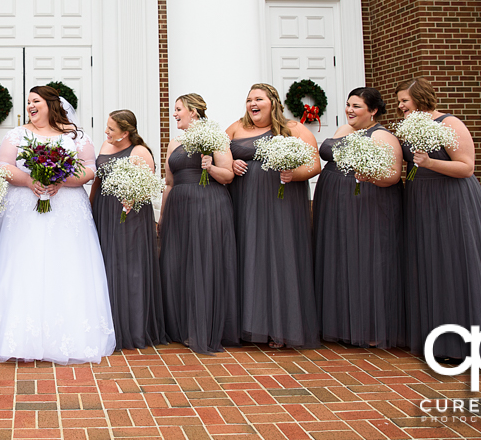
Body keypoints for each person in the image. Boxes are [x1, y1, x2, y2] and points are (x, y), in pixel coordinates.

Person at [0, 86, 115, 364]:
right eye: (28, 101)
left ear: (51, 104)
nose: (30, 105)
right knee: (25, 264)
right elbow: (3, 166)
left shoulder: (74, 134)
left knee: (66, 264)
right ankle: (21, 337)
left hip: (66, 209)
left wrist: (62, 179)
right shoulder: (17, 134)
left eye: (36, 101)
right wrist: (31, 180)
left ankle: (67, 336)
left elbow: (89, 167)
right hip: (24, 208)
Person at [396, 77, 481, 362]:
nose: (400, 105)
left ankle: (466, 344)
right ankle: (436, 338)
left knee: (455, 264)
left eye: (404, 100)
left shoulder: (450, 123)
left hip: (451, 199)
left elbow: (466, 167)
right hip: (421, 200)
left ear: (420, 97)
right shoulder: (409, 127)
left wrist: (429, 163)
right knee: (432, 266)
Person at [227, 83, 321, 349]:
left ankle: (280, 326)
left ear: (273, 103)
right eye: (248, 100)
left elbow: (314, 165)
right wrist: (232, 163)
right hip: (243, 204)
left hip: (281, 204)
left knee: (278, 258)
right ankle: (249, 326)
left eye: (258, 99)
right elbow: (218, 157)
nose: (252, 104)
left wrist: (295, 174)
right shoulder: (235, 128)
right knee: (249, 257)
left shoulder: (293, 129)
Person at [312, 87, 405, 348]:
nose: (349, 110)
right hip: (334, 206)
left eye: (356, 106)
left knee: (363, 262)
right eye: (348, 105)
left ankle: (370, 327)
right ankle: (338, 323)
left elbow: (393, 175)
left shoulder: (383, 137)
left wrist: (369, 176)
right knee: (339, 260)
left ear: (373, 110)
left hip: (364, 207)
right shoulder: (344, 129)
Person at [160, 94, 239, 353]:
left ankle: (204, 326)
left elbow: (227, 176)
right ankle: (180, 326)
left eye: (178, 109)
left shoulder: (214, 136)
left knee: (203, 264)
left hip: (208, 204)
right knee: (178, 264)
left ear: (193, 112)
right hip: (178, 208)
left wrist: (210, 168)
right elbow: (169, 183)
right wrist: (162, 216)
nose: (174, 114)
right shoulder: (173, 143)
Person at [91, 110, 166, 351]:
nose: (106, 132)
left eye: (111, 129)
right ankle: (107, 324)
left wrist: (131, 200)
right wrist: (90, 207)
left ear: (125, 133)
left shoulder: (140, 152)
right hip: (104, 211)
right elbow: (97, 181)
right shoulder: (105, 144)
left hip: (129, 215)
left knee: (128, 267)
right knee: (106, 264)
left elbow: (146, 188)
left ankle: (131, 328)